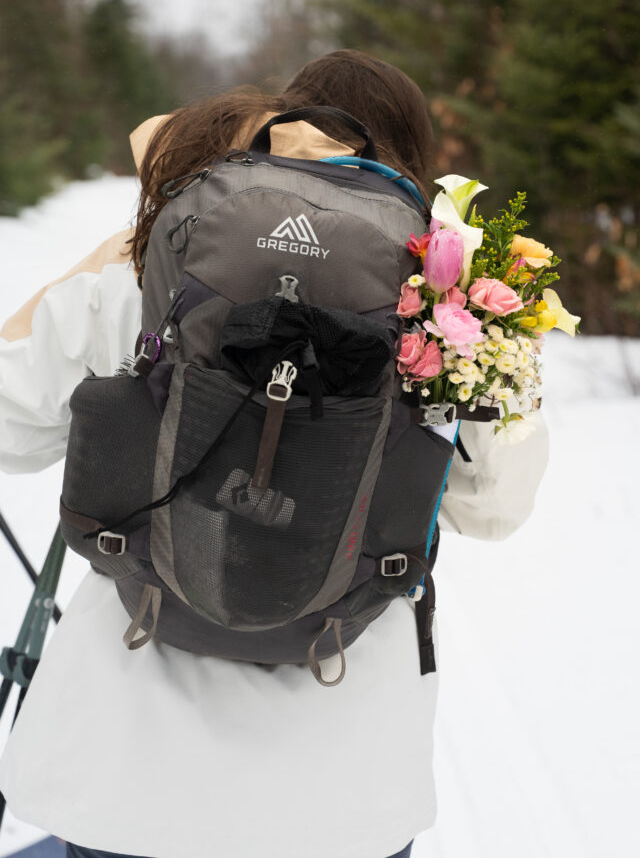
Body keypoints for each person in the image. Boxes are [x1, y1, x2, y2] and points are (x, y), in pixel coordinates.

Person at [0, 50, 549, 858]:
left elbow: (8, 430)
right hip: (343, 796)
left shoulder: (155, 266)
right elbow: (492, 510)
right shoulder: (450, 311)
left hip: (125, 779)